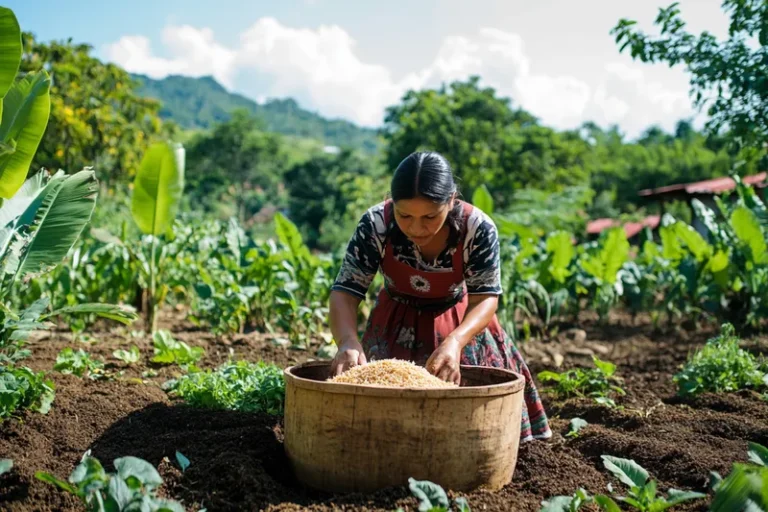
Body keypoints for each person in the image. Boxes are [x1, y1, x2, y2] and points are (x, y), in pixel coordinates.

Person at [328, 151, 552, 442]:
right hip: (395, 320)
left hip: (460, 322)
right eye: (404, 215)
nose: (416, 228)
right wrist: (347, 340)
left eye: (430, 217)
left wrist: (456, 342)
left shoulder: (477, 229)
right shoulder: (376, 224)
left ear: (451, 201)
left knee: (475, 428)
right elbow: (346, 290)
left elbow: (486, 298)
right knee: (380, 428)